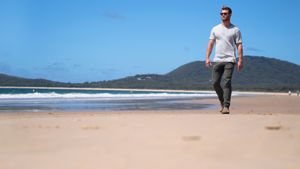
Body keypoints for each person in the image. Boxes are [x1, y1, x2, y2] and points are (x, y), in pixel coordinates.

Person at [205, 6, 243, 114]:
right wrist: (207, 58)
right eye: (221, 14)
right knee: (215, 83)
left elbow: (239, 45)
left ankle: (226, 106)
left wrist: (240, 60)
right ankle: (222, 102)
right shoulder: (215, 29)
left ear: (230, 15)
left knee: (226, 82)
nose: (223, 15)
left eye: (225, 13)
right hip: (217, 59)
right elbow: (210, 44)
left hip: (230, 59)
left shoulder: (235, 30)